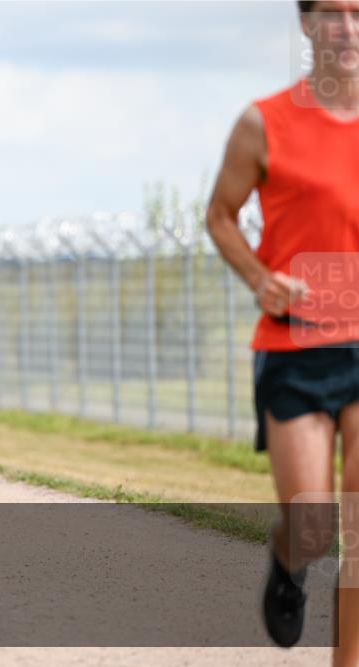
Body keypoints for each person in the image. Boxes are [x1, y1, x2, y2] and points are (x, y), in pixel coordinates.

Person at [206, 2, 358, 663]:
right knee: (315, 525)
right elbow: (219, 216)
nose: (348, 29)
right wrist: (260, 277)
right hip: (295, 345)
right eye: (333, 14)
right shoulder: (264, 121)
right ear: (306, 23)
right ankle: (288, 555)